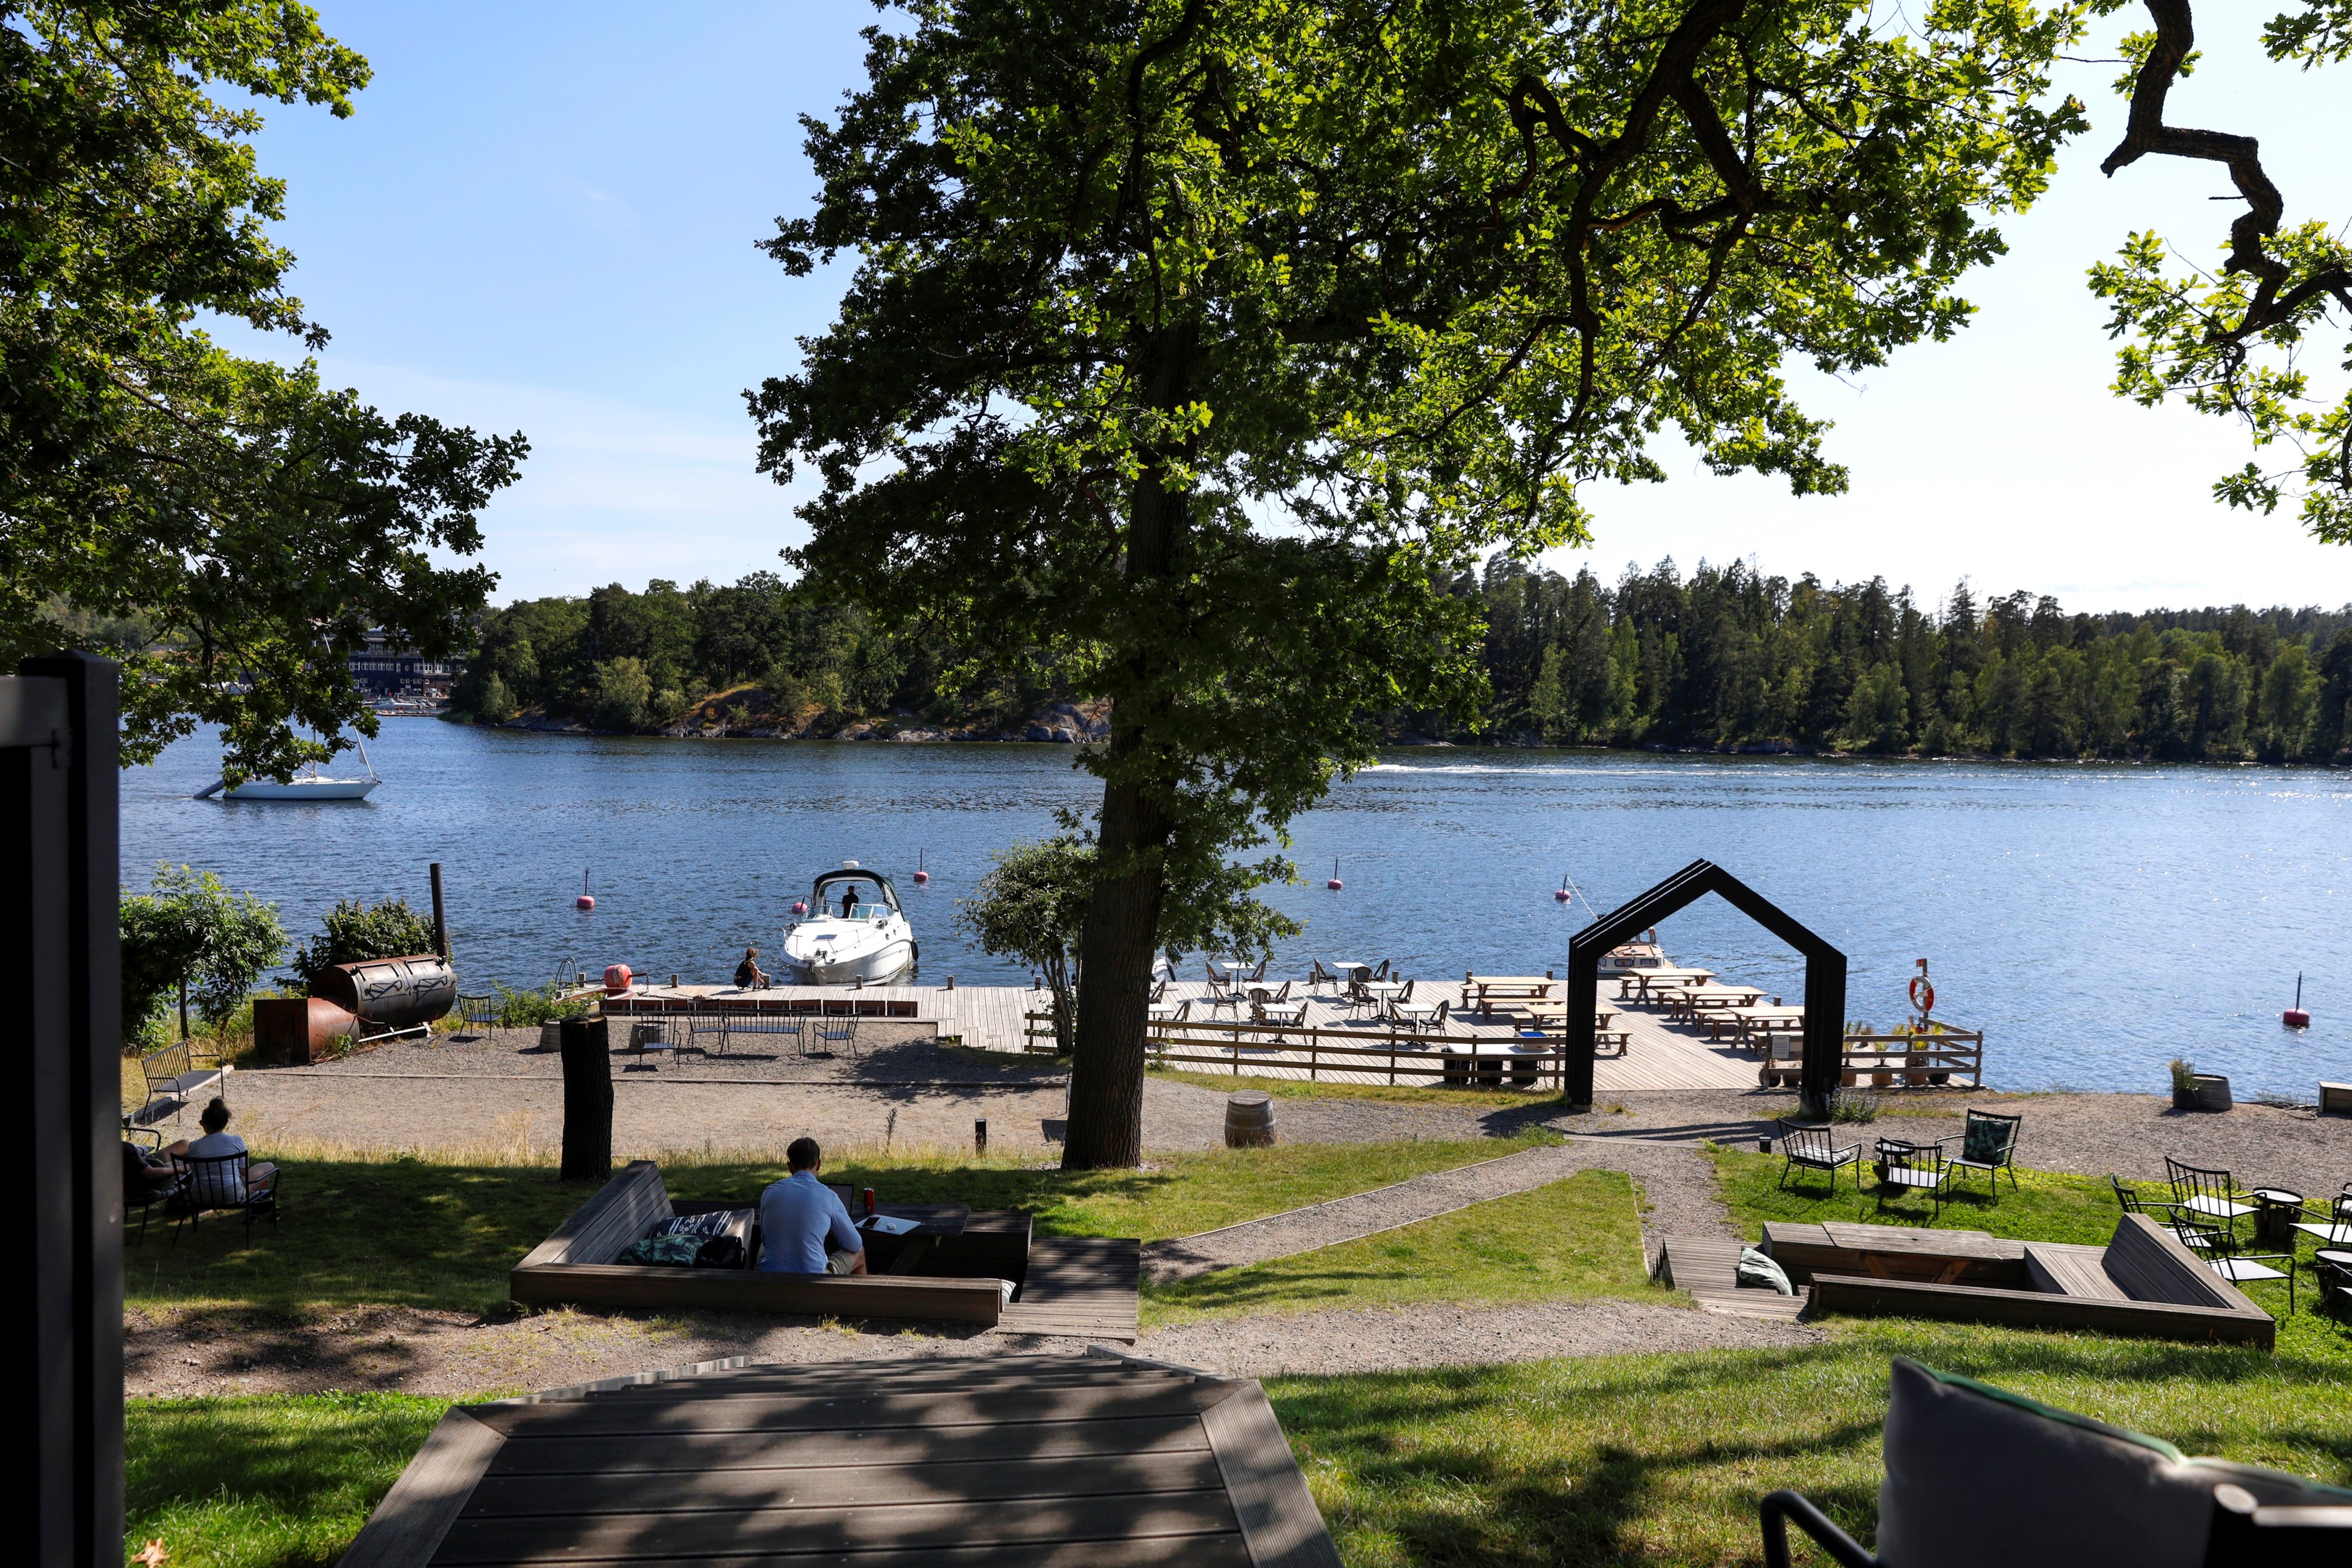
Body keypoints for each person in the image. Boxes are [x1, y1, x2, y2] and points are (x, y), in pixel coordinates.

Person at [756, 1137, 866, 1275]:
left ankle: (753, 1291)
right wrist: (833, 1229)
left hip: (771, 1277)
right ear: (818, 1164)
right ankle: (858, 1296)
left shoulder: (769, 1192)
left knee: (763, 1247)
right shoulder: (828, 1196)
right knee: (860, 1253)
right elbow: (855, 1244)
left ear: (790, 1167)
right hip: (814, 1279)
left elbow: (766, 1240)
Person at [169, 1097, 275, 1209]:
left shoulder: (193, 1146)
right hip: (231, 1195)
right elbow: (244, 1171)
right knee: (269, 1166)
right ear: (225, 1123)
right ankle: (254, 1190)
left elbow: (195, 1172)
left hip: (200, 1196)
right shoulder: (237, 1141)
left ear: (204, 1125)